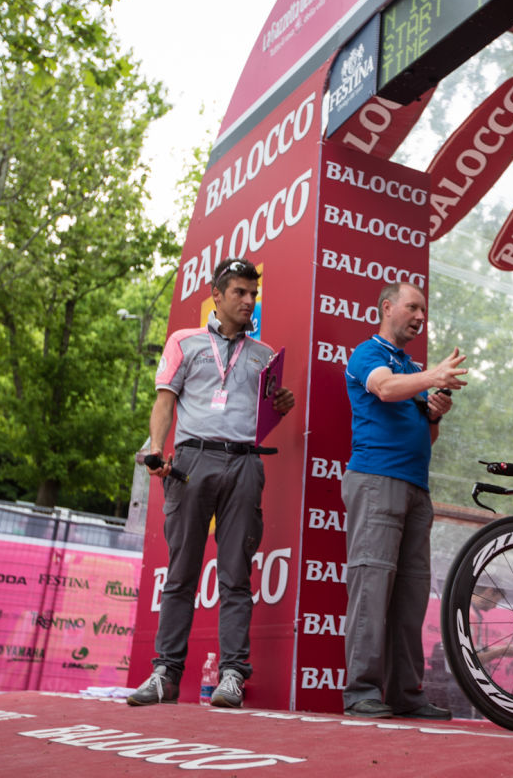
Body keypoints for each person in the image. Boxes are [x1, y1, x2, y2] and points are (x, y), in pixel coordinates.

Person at [127, 257, 295, 709]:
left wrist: (281, 405)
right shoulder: (184, 342)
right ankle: (165, 674)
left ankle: (232, 676)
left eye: (253, 293)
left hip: (244, 462)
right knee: (181, 572)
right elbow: (165, 402)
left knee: (236, 575)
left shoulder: (264, 354)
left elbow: (266, 417)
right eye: (239, 292)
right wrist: (156, 450)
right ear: (216, 296)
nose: (248, 301)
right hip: (191, 460)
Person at [340, 281, 468, 720]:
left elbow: (425, 436)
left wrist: (434, 414)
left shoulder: (411, 367)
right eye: (413, 307)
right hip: (377, 480)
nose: (420, 317)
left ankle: (405, 693)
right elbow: (385, 389)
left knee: (411, 595)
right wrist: (431, 378)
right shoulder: (368, 353)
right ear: (387, 307)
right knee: (371, 588)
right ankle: (360, 692)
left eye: (423, 311)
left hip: (416, 486)